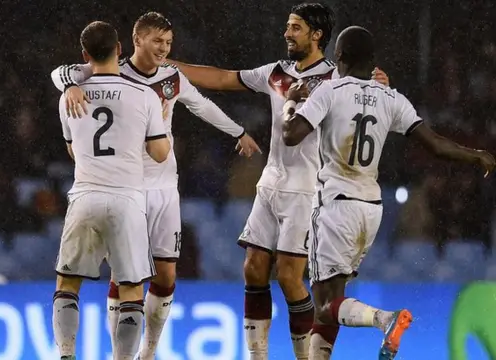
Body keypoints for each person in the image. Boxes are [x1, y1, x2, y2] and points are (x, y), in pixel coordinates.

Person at [164, 3, 389, 358]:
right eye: (288, 26)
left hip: (308, 192)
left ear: (317, 35)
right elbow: (223, 78)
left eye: (296, 27)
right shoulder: (275, 73)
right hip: (270, 185)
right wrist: (168, 65)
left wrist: (377, 84)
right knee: (253, 269)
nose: (287, 33)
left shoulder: (338, 80)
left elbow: (371, 106)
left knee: (288, 277)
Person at [51, 11, 262, 359]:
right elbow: (64, 73)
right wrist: (70, 83)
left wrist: (237, 131)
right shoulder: (115, 74)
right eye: (157, 41)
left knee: (165, 275)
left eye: (168, 42)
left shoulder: (171, 78)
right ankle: (122, 353)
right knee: (124, 278)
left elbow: (202, 107)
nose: (164, 48)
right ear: (134, 42)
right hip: (130, 188)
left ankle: (148, 350)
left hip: (161, 189)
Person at [282, 25, 495, 360]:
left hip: (336, 205)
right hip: (371, 210)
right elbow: (435, 145)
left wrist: (291, 103)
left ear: (338, 57)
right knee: (334, 301)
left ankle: (385, 318)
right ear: (372, 60)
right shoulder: (392, 98)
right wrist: (476, 155)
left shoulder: (329, 92)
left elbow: (291, 135)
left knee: (324, 304)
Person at [51, 21, 171, 360]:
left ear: (85, 55)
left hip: (86, 195)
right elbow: (160, 154)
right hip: (127, 200)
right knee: (131, 289)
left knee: (68, 283)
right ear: (121, 50)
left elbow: (74, 151)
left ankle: (66, 354)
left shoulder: (68, 98)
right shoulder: (144, 95)